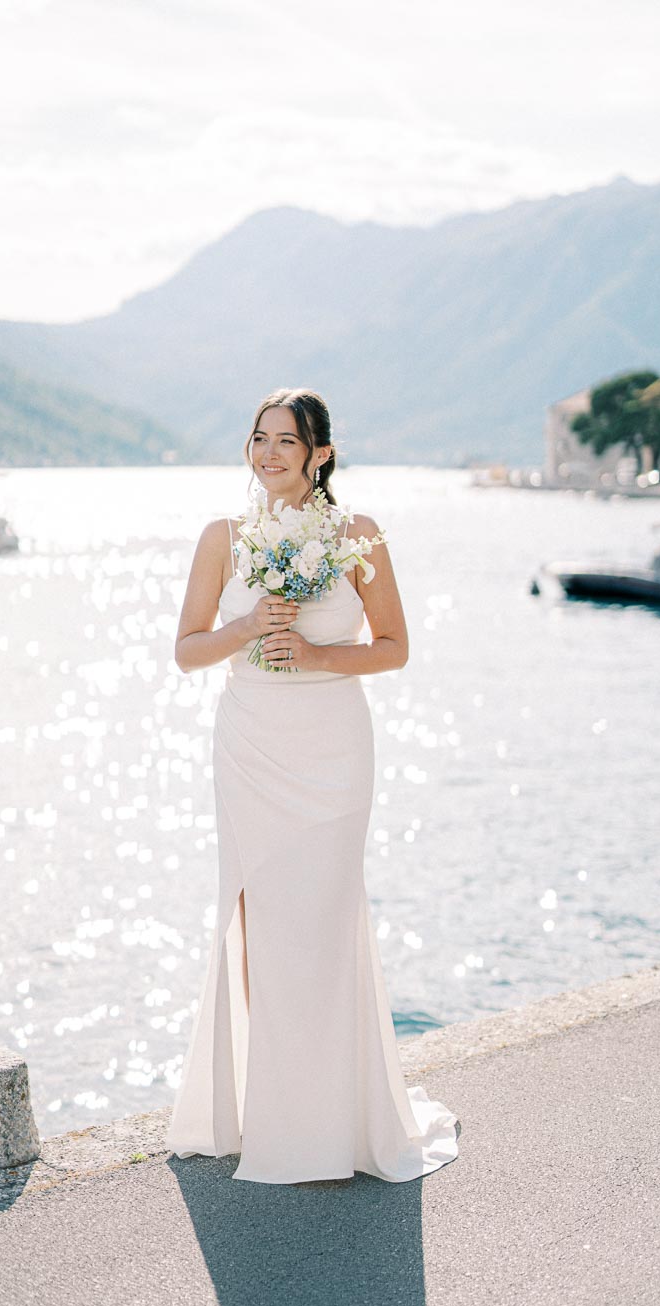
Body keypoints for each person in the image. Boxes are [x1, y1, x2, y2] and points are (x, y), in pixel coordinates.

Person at [164, 387, 458, 1184]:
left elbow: (394, 646)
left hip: (333, 748)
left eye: (285, 442)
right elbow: (189, 649)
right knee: (260, 926)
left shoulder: (358, 536)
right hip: (252, 746)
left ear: (320, 452)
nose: (267, 455)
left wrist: (323, 656)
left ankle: (335, 1115)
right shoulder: (222, 537)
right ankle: (271, 1108)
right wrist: (249, 626)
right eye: (258, 440)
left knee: (324, 922)